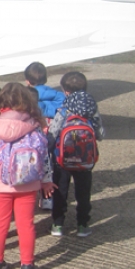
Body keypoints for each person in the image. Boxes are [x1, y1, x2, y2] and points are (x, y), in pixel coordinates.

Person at [0, 83, 55, 269]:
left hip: (0, 183)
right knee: (26, 224)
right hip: (28, 182)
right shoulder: (34, 124)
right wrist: (46, 179)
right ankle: (27, 265)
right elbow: (43, 155)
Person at [47, 71, 105, 238]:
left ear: (66, 91)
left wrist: (48, 150)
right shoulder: (92, 109)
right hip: (85, 160)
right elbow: (100, 133)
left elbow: (52, 133)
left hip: (62, 160)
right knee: (83, 192)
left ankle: (58, 224)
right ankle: (82, 225)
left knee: (60, 191)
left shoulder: (64, 110)